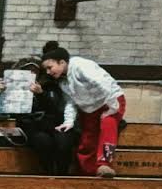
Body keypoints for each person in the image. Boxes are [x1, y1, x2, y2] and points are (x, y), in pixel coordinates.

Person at [42, 40, 124, 178]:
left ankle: (105, 164)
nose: (48, 72)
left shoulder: (80, 66)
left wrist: (112, 106)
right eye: (46, 69)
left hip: (110, 101)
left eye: (50, 67)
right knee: (87, 139)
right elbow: (71, 101)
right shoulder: (62, 81)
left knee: (107, 125)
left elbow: (101, 83)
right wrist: (68, 122)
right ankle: (88, 171)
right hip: (90, 108)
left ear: (62, 62)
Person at [13, 60, 77, 175]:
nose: (31, 74)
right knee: (43, 141)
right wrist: (4, 93)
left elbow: (56, 108)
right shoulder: (16, 88)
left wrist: (41, 94)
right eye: (27, 71)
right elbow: (12, 112)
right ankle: (49, 173)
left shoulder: (51, 85)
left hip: (54, 123)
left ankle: (63, 174)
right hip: (33, 126)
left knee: (64, 141)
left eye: (34, 71)